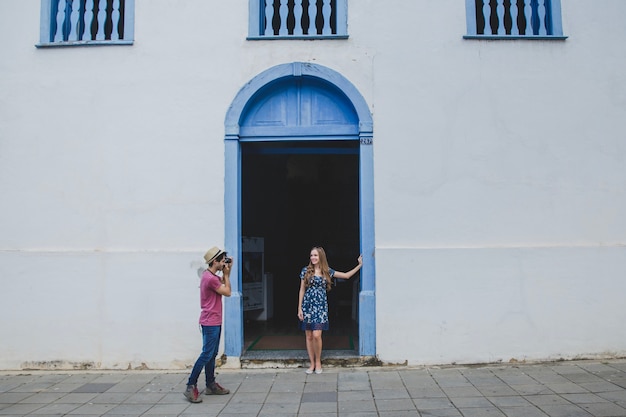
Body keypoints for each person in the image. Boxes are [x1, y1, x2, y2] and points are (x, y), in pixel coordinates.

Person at [297, 246, 363, 374]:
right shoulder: (305, 271)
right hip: (307, 306)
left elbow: (346, 276)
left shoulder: (326, 271)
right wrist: (299, 308)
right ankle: (311, 364)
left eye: (315, 255)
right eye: (311, 255)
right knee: (309, 335)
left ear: (321, 256)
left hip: (320, 307)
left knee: (317, 334)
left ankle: (318, 362)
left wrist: (359, 265)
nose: (313, 258)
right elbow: (302, 290)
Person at [183, 246, 232, 403]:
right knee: (206, 354)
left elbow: (222, 283)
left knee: (211, 354)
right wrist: (227, 275)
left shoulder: (209, 275)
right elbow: (228, 292)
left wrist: (226, 272)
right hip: (210, 322)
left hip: (213, 320)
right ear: (215, 261)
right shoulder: (210, 279)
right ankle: (191, 385)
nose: (224, 261)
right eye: (222, 259)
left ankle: (210, 385)